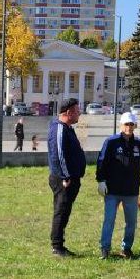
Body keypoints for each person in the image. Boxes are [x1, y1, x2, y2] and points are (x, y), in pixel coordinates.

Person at [96, 110, 140, 258]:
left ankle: (126, 248)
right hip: (112, 189)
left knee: (131, 222)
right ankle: (105, 248)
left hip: (131, 190)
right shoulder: (111, 142)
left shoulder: (139, 144)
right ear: (121, 125)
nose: (128, 127)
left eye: (131, 124)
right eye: (126, 124)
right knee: (109, 220)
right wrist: (101, 180)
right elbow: (101, 161)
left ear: (135, 126)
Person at [47, 98, 86, 257]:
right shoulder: (59, 129)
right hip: (63, 180)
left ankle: (60, 244)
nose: (79, 114)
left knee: (65, 211)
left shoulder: (68, 128)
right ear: (69, 112)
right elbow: (58, 154)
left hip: (71, 178)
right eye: (77, 111)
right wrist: (65, 176)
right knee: (61, 211)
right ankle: (57, 247)